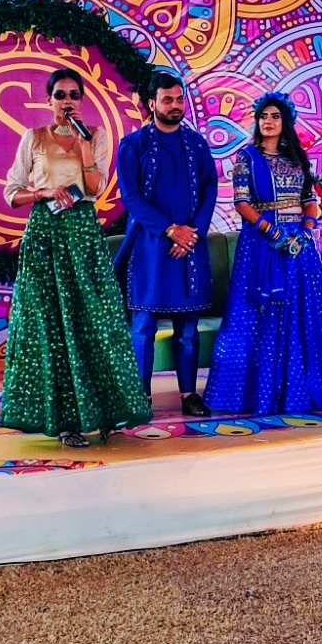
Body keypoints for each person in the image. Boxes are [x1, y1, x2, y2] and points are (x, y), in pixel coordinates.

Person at [0, 68, 151, 448]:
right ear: (49, 100)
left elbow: (96, 188)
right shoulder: (33, 137)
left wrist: (84, 146)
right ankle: (65, 419)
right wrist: (43, 193)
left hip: (83, 234)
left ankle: (105, 412)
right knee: (51, 323)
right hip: (46, 236)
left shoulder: (95, 135)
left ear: (81, 100)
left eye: (74, 95)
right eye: (60, 95)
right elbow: (12, 192)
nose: (67, 101)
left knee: (95, 319)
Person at [203, 92, 322, 415]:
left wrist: (306, 230)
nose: (268, 121)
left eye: (275, 116)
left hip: (298, 247)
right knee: (258, 312)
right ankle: (256, 392)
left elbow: (309, 199)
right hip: (261, 243)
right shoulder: (247, 157)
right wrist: (272, 232)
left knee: (303, 310)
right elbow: (242, 202)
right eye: (263, 116)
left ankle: (301, 385)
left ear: (285, 122)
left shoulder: (297, 158)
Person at [114, 69, 218, 417]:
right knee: (143, 325)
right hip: (150, 246)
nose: (175, 105)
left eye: (178, 99)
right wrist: (171, 230)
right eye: (167, 100)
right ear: (151, 103)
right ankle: (140, 396)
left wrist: (192, 233)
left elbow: (209, 189)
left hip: (190, 246)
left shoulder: (197, 145)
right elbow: (131, 196)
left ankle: (189, 394)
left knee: (187, 328)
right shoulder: (133, 145)